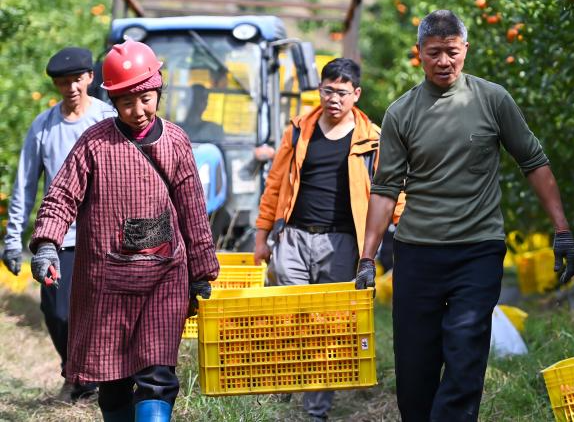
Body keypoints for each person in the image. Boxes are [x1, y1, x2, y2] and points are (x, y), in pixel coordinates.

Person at [354, 9, 574, 422]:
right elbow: (385, 189)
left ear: (465, 50)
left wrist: (562, 230)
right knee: (415, 368)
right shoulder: (401, 112)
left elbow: (534, 161)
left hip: (478, 250)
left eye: (452, 52)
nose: (444, 61)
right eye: (434, 53)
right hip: (418, 252)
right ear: (419, 53)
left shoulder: (492, 99)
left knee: (465, 353)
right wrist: (367, 258)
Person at [28, 39, 219, 422]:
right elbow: (62, 194)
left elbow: (193, 211)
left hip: (164, 277)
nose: (138, 110)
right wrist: (47, 243)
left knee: (157, 375)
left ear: (159, 91)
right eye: (127, 102)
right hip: (107, 281)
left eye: (146, 99)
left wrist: (201, 272)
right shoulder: (94, 143)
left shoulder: (176, 141)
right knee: (113, 379)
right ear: (113, 102)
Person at [253, 57, 385, 422]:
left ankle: (316, 410)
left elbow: (390, 193)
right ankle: (280, 391)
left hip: (341, 243)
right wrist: (262, 237)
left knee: (326, 327)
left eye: (342, 93)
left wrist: (387, 244)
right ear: (320, 90)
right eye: (328, 91)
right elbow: (274, 185)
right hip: (293, 238)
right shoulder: (299, 130)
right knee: (287, 318)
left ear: (356, 94)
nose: (334, 99)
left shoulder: (372, 140)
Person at [2, 46, 116, 402]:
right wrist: (13, 239)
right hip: (58, 238)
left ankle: (90, 380)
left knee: (101, 313)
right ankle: (74, 371)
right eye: (64, 82)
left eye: (77, 80)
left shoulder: (108, 119)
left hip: (103, 236)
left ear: (90, 78)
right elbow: (24, 184)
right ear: (56, 85)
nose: (72, 88)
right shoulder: (44, 126)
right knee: (57, 312)